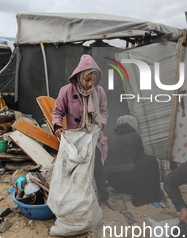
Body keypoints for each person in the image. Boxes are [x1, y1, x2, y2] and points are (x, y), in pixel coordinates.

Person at [52, 54, 117, 210]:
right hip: (74, 138)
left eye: (93, 80)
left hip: (92, 137)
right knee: (74, 170)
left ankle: (104, 196)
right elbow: (57, 112)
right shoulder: (66, 91)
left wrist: (101, 122)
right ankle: (73, 201)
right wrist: (57, 126)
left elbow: (103, 111)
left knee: (98, 169)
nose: (90, 84)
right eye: (87, 80)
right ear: (79, 76)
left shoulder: (99, 92)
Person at [104, 115, 162, 206]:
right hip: (127, 183)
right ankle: (154, 193)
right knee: (152, 160)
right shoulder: (135, 135)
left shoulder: (110, 136)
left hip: (113, 182)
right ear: (133, 124)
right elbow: (141, 157)